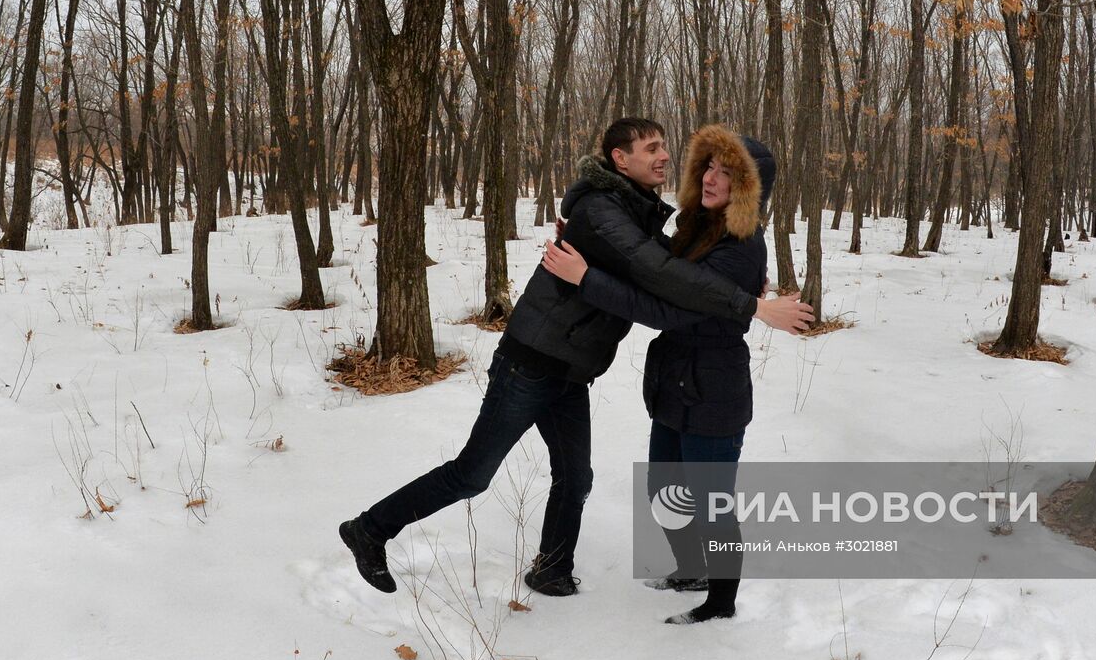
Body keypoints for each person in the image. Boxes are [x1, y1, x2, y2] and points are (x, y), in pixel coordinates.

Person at [339, 118, 813, 598]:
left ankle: (552, 568)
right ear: (619, 159)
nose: (666, 156)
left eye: (667, 147)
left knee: (575, 476)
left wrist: (740, 289)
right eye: (652, 148)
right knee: (472, 474)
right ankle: (370, 530)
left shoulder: (639, 209)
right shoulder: (603, 210)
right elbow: (655, 271)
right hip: (531, 363)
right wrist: (752, 305)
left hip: (570, 369)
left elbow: (667, 267)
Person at [541, 124, 775, 624]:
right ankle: (690, 567)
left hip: (714, 388)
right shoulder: (694, 227)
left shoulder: (742, 248)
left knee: (712, 504)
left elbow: (667, 308)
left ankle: (720, 601)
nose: (712, 178)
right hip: (675, 380)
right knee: (664, 490)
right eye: (708, 166)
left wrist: (586, 279)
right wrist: (584, 242)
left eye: (727, 173)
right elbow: (644, 266)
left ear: (748, 191)